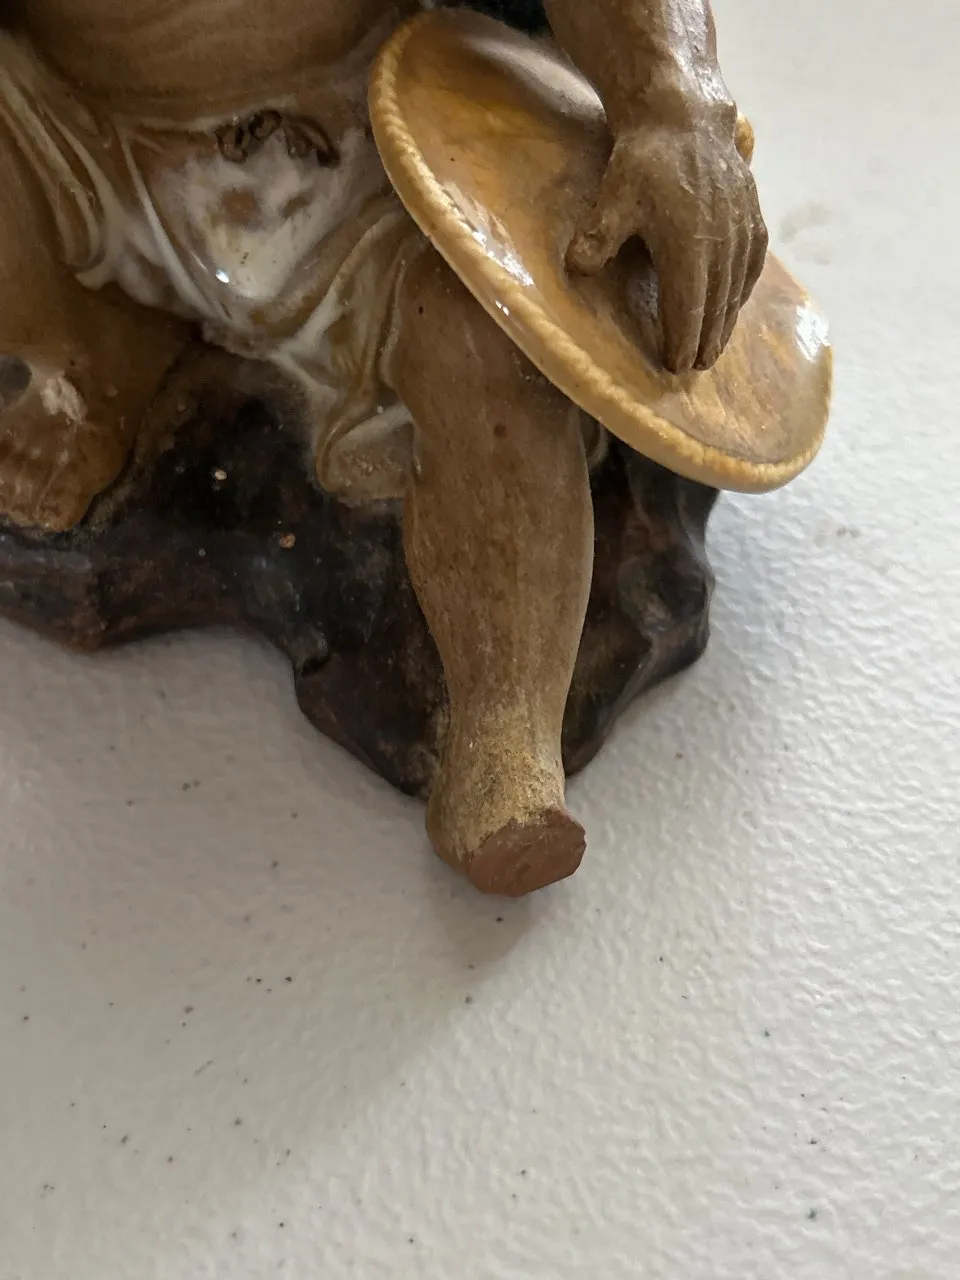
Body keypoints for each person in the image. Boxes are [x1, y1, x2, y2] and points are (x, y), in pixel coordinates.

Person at [0, 0, 766, 893]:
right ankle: (66, 365)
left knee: (483, 344)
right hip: (74, 139)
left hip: (373, 146)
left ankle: (505, 726)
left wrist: (672, 102)